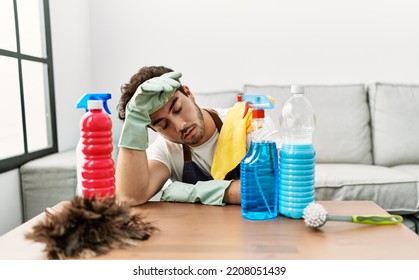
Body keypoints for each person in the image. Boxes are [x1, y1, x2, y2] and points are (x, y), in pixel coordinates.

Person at [115, 66, 278, 206]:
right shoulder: (166, 149)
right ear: (154, 129)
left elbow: (274, 185)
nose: (180, 126)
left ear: (188, 93)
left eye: (178, 108)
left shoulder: (250, 121)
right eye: (163, 125)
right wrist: (133, 123)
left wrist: (183, 191)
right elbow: (130, 197)